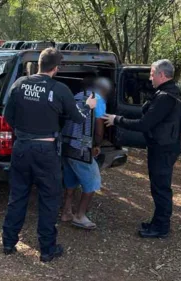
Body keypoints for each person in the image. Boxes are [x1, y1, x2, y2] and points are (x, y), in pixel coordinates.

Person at [2, 48, 97, 262]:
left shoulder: (19, 85)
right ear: (56, 68)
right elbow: (78, 118)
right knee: (49, 199)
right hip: (46, 151)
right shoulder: (60, 89)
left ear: (38, 64)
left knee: (17, 196)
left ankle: (8, 243)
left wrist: (25, 133)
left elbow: (8, 116)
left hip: (21, 148)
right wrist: (88, 106)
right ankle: (47, 249)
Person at [103, 59, 181, 238]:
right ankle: (157, 222)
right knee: (159, 187)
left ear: (161, 75)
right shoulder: (170, 92)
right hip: (165, 146)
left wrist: (117, 120)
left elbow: (144, 124)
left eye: (152, 74)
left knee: (161, 189)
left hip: (164, 149)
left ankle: (161, 228)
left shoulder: (166, 97)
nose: (150, 78)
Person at [60, 77, 112, 230]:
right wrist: (96, 145)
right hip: (82, 147)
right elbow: (99, 128)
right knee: (92, 180)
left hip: (67, 145)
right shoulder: (98, 100)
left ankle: (66, 211)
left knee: (70, 179)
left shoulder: (74, 96)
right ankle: (80, 216)